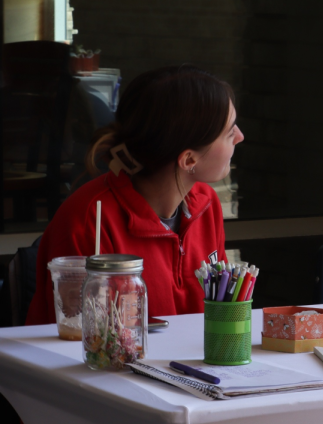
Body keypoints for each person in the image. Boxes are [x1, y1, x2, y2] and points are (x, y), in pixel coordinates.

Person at [26, 65, 244, 325]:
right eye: (230, 132)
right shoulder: (88, 221)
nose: (240, 137)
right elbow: (78, 339)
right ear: (188, 159)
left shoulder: (207, 205)